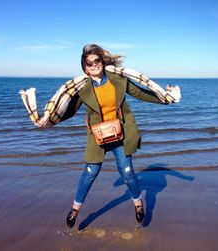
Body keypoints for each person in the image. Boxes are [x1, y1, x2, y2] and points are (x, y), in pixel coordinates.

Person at [63, 44, 168, 228]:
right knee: (90, 172)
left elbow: (141, 93)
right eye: (89, 63)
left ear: (102, 62)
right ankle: (75, 209)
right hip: (98, 136)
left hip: (121, 132)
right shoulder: (83, 88)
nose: (94, 65)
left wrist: (164, 98)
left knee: (127, 172)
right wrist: (46, 120)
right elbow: (68, 110)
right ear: (85, 67)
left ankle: (138, 205)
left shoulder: (118, 81)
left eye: (97, 61)